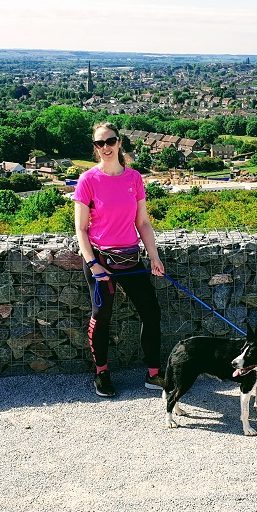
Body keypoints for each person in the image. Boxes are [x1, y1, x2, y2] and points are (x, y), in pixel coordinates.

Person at [73, 122, 166, 398]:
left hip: (130, 259)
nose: (105, 148)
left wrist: (154, 257)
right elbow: (80, 229)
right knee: (101, 317)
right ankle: (101, 372)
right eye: (99, 144)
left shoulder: (134, 178)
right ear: (95, 147)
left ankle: (153, 374)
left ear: (119, 142)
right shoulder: (87, 180)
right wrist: (93, 264)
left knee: (152, 312)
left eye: (110, 141)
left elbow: (144, 223)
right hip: (101, 260)